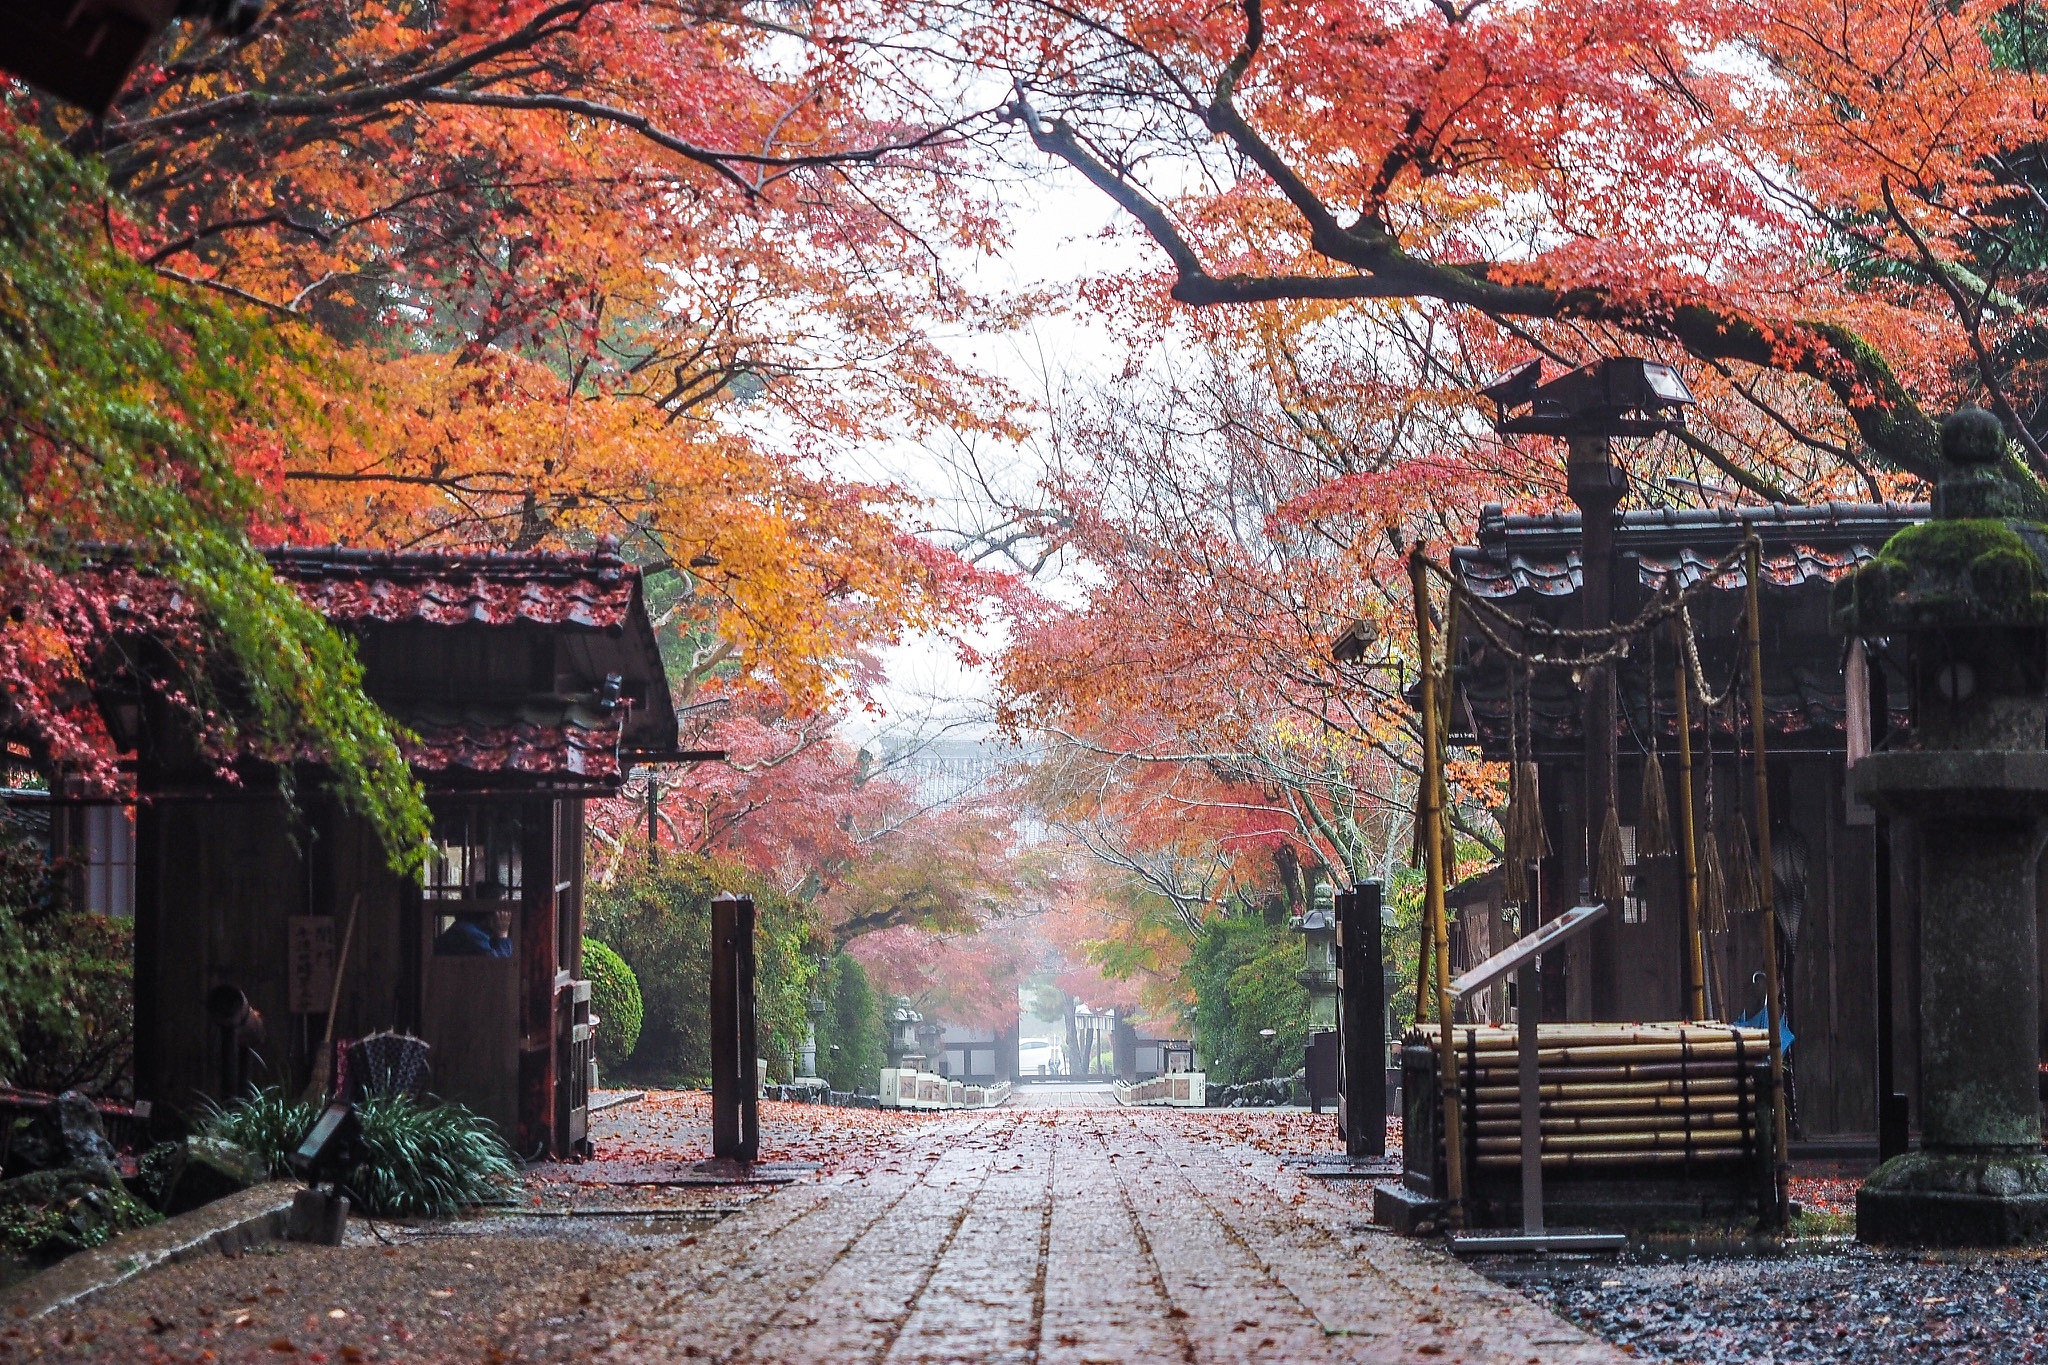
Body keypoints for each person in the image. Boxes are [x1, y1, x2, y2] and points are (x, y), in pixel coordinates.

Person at [434, 878, 514, 957]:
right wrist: (502, 933)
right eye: (502, 904)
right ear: (487, 907)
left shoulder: (470, 929)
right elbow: (499, 966)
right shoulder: (469, 933)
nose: (506, 912)